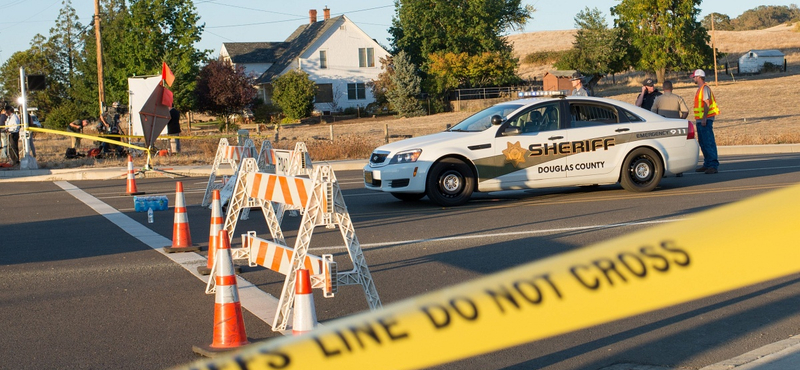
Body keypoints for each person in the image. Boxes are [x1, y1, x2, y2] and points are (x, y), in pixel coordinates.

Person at [691, 69, 720, 174]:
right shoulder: (700, 89)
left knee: (708, 142)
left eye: (694, 77)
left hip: (705, 120)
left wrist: (704, 118)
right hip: (701, 120)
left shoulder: (704, 88)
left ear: (699, 77)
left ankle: (713, 165)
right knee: (703, 142)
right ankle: (707, 164)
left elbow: (707, 103)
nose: (693, 79)